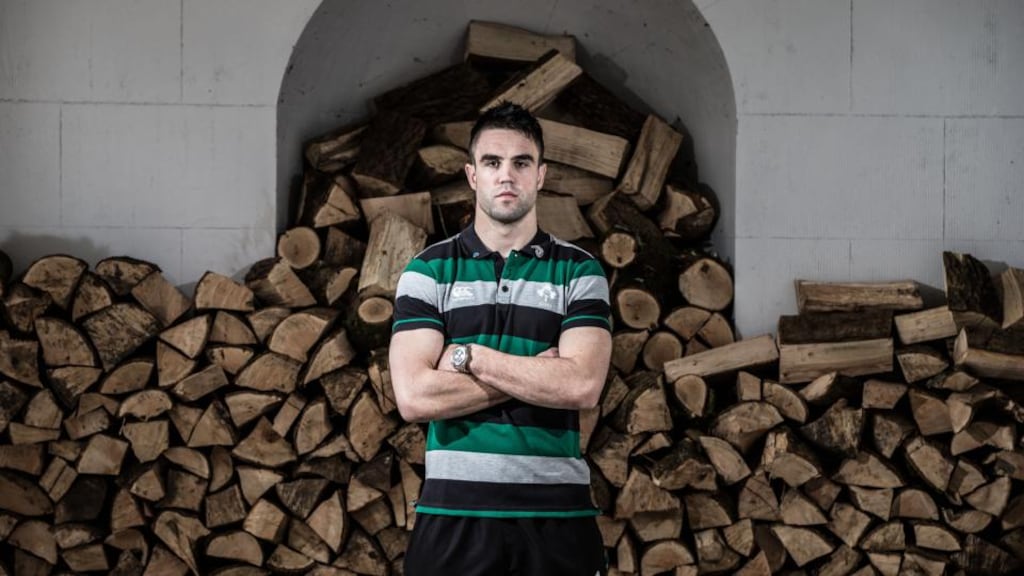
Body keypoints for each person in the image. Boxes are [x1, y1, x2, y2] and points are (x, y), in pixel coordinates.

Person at [389, 102, 613, 576]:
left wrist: (471, 357)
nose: (505, 175)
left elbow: (581, 387)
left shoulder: (579, 271)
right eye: (492, 162)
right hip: (453, 516)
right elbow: (413, 396)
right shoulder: (428, 271)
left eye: (521, 162)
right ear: (472, 175)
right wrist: (539, 369)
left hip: (558, 520)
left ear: (541, 175)